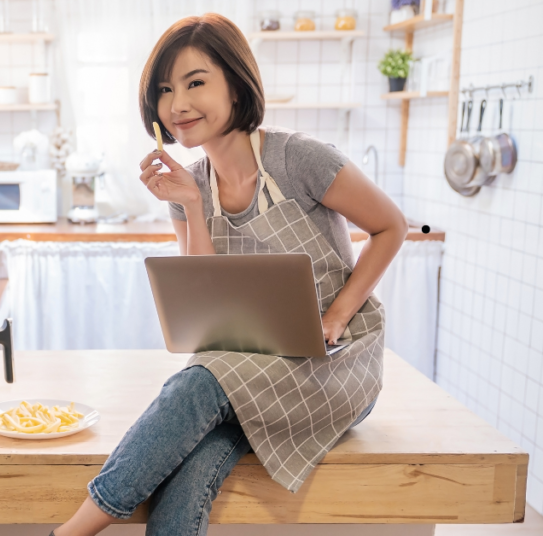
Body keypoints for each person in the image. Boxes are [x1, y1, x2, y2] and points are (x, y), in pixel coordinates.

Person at [50, 13, 407, 536]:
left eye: (196, 82)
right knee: (193, 462)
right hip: (250, 363)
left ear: (237, 85)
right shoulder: (189, 187)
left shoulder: (300, 159)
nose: (178, 104)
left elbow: (391, 227)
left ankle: (71, 531)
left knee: (200, 381)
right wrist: (193, 207)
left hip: (332, 362)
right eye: (167, 90)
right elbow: (207, 305)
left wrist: (335, 315)